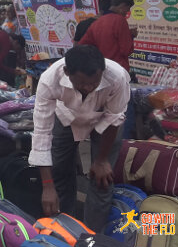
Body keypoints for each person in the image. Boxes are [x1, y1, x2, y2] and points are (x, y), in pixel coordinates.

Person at [29, 45, 130, 232]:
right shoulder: (49, 80)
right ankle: (64, 231)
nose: (89, 88)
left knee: (102, 180)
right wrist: (47, 186)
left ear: (103, 71)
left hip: (105, 122)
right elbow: (42, 133)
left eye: (94, 83)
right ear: (67, 72)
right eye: (82, 83)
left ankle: (92, 236)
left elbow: (114, 118)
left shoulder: (117, 76)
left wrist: (101, 160)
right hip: (66, 116)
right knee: (59, 172)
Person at [78, 0, 136, 72]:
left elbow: (82, 45)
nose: (127, 13)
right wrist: (131, 36)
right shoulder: (120, 20)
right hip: (117, 69)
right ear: (122, 6)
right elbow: (126, 50)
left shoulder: (98, 22)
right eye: (127, 9)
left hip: (100, 69)